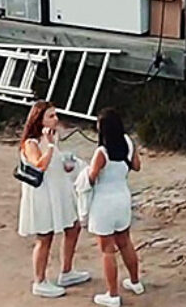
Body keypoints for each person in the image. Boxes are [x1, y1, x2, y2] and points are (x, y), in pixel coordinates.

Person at [18, 101, 89, 298]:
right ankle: (39, 280)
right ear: (39, 120)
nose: (55, 119)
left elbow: (52, 162)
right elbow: (39, 165)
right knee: (45, 237)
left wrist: (64, 163)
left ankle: (67, 271)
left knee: (73, 227)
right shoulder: (31, 143)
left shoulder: (50, 137)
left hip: (58, 191)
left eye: (55, 115)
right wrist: (50, 147)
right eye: (51, 116)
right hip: (43, 195)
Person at [82, 109, 146, 307]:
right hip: (122, 197)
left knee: (107, 249)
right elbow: (136, 166)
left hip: (104, 202)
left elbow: (92, 177)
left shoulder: (101, 152)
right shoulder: (128, 143)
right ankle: (135, 281)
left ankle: (112, 294)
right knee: (125, 241)